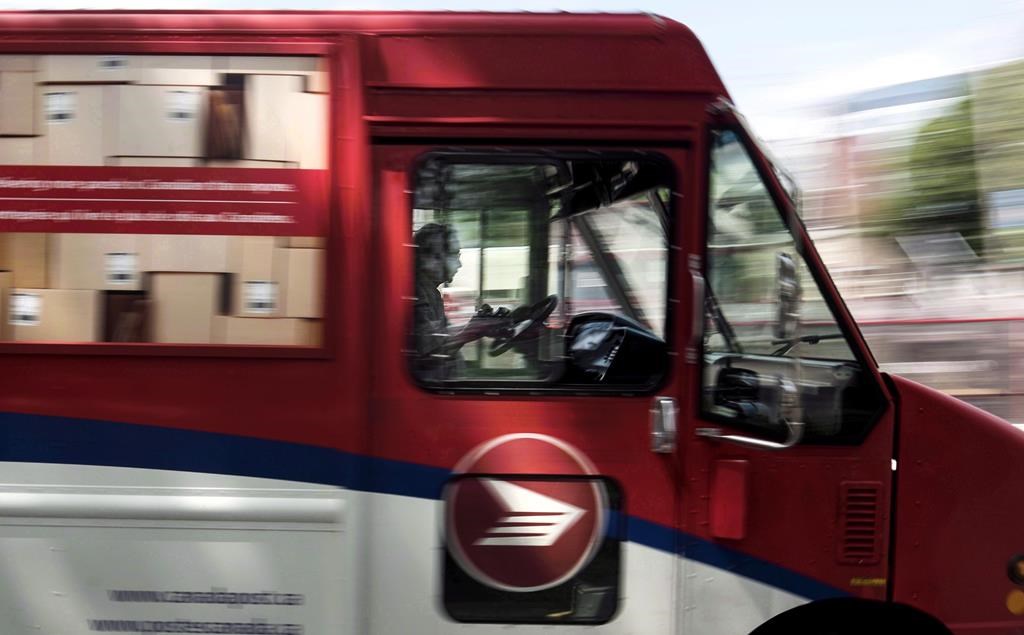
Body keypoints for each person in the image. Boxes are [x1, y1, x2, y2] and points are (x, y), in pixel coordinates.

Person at [412, 223, 509, 381]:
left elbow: (441, 338)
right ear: (433, 257)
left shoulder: (430, 292)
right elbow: (429, 352)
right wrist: (473, 329)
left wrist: (476, 324)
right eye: (454, 254)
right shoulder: (416, 292)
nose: (459, 264)